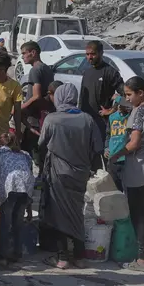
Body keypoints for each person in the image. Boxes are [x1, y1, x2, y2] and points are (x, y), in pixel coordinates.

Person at [37, 82, 104, 269]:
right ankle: (80, 256)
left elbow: (42, 143)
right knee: (76, 213)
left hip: (58, 173)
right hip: (81, 173)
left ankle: (62, 257)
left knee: (59, 214)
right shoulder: (87, 119)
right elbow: (97, 147)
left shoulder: (52, 119)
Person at [110, 77, 144, 273]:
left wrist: (115, 156)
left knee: (139, 215)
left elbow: (134, 143)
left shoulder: (140, 111)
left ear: (141, 93)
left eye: (129, 94)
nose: (127, 99)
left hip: (139, 167)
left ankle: (143, 260)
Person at [0, 131, 35, 263]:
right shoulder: (25, 155)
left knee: (5, 222)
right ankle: (17, 253)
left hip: (10, 186)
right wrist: (29, 207)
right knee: (18, 220)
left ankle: (3, 256)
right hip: (26, 187)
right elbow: (29, 173)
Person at [79, 41, 123, 137]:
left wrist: (112, 110)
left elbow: (125, 94)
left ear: (101, 53)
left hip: (101, 122)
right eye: (87, 54)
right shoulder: (87, 71)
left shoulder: (110, 72)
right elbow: (82, 96)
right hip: (86, 120)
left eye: (93, 54)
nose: (89, 57)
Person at [19, 40, 54, 154]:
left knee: (28, 152)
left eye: (24, 53)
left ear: (33, 53)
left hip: (35, 119)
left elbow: (37, 96)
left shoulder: (35, 70)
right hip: (44, 117)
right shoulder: (47, 68)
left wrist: (20, 108)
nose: (22, 56)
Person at [105, 94, 132, 191]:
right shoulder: (112, 117)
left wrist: (118, 97)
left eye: (122, 104)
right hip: (112, 158)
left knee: (127, 190)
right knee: (114, 191)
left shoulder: (130, 116)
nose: (120, 106)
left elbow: (130, 104)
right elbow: (108, 135)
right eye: (118, 104)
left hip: (125, 158)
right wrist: (106, 148)